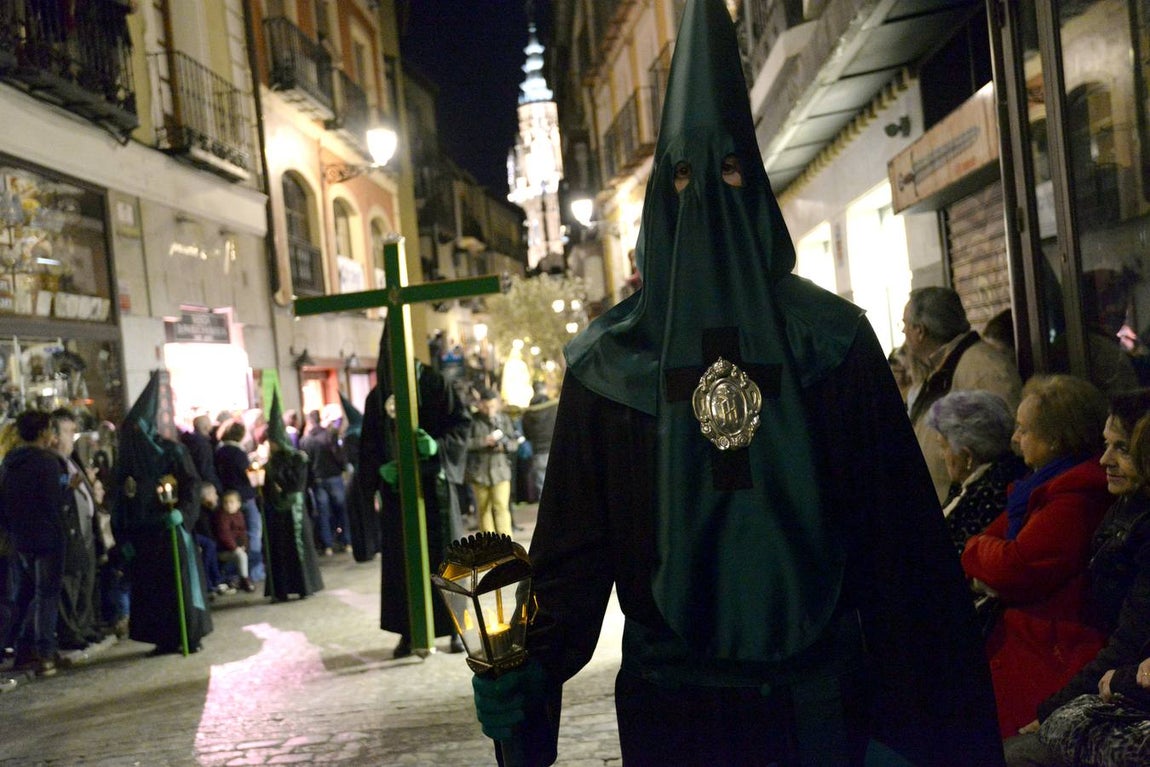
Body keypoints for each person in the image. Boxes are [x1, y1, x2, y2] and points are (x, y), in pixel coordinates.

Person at [469, 3, 1003, 764]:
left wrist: (915, 731)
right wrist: (521, 672)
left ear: (755, 186)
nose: (709, 202)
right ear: (659, 201)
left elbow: (902, 562)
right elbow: (570, 571)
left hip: (821, 714)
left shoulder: (833, 344)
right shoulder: (607, 369)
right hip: (673, 724)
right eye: (684, 175)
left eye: (727, 172)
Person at [1002, 388, 1150, 765]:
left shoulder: (1090, 499)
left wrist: (1048, 710)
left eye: (1123, 450)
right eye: (1106, 445)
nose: (1104, 460)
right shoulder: (1125, 503)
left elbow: (1127, 644)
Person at [962, 374, 1113, 738]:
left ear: (1056, 438)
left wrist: (981, 555)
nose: (1015, 439)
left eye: (1024, 430)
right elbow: (981, 544)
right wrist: (982, 552)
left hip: (1051, 652)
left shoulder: (1076, 496)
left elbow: (1014, 567)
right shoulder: (1039, 488)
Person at [365, 336, 470, 658]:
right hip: (399, 496)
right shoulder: (379, 394)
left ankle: (454, 627)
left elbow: (461, 427)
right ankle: (409, 630)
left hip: (435, 489)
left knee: (443, 558)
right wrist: (381, 469)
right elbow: (367, 444)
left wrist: (437, 447)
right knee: (402, 562)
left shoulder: (437, 384)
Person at [111, 372, 212, 655]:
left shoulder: (172, 452)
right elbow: (119, 501)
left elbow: (191, 484)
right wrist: (124, 539)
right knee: (152, 590)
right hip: (143, 537)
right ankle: (163, 637)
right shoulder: (126, 463)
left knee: (179, 584)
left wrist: (182, 513)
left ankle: (189, 634)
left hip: (170, 531)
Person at [904, 287, 1023, 503]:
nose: (904, 335)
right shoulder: (942, 366)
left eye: (905, 326)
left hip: (977, 509)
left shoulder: (983, 368)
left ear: (920, 331)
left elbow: (1009, 445)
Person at [0, 410, 68, 677]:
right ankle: (45, 653)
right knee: (46, 594)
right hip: (48, 538)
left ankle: (19, 649)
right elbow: (54, 504)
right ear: (43, 433)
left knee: (26, 595)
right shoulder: (48, 463)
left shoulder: (9, 463)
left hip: (20, 539)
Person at [926, 391, 1027, 557]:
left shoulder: (993, 493)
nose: (941, 455)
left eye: (943, 446)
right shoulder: (968, 483)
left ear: (967, 456)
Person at [261, 391, 323, 602]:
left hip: (293, 510)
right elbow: (268, 488)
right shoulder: (269, 463)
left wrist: (278, 480)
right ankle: (282, 589)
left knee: (298, 549)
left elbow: (297, 484)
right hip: (277, 513)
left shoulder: (297, 459)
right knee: (280, 551)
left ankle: (304, 585)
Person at [51, 408, 101, 651]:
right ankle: (71, 632)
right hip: (69, 532)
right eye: (68, 432)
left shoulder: (71, 460)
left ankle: (85, 626)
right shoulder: (52, 462)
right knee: (69, 585)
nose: (72, 437)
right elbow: (59, 488)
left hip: (85, 532)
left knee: (85, 582)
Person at [213, 419, 265, 582]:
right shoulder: (237, 453)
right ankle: (254, 571)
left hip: (228, 497)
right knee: (252, 532)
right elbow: (246, 475)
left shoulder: (219, 452)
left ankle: (237, 572)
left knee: (232, 533)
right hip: (244, 497)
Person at [465, 388, 519, 536]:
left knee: (501, 507)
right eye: (486, 406)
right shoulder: (472, 421)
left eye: (493, 406)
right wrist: (483, 441)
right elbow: (464, 444)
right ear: (480, 404)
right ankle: (490, 545)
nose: (490, 410)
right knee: (483, 510)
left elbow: (514, 442)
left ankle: (506, 544)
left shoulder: (504, 419)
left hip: (500, 471)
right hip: (479, 472)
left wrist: (505, 446)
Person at [300, 408, 351, 555]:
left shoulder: (305, 440)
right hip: (334, 477)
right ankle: (346, 541)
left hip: (318, 479)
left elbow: (306, 464)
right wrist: (343, 468)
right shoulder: (329, 435)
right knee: (341, 510)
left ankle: (328, 545)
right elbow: (339, 455)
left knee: (323, 512)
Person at [520, 382, 558, 500]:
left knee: (542, 484)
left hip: (538, 450)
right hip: (553, 447)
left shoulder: (528, 413)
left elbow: (527, 434)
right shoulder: (554, 407)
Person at [214, 490, 254, 592]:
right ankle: (244, 579)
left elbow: (242, 532)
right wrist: (235, 548)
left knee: (251, 555)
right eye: (226, 503)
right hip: (224, 550)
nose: (228, 505)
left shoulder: (239, 515)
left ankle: (239, 579)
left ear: (238, 504)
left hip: (237, 548)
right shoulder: (222, 517)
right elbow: (224, 535)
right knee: (241, 556)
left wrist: (244, 545)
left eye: (231, 502)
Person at [181, 414, 222, 494]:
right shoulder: (203, 445)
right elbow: (206, 468)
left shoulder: (188, 441)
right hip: (205, 486)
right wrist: (218, 487)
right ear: (206, 427)